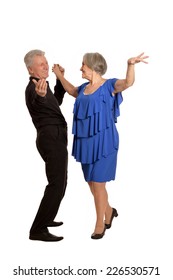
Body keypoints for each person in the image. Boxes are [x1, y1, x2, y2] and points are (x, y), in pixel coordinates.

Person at [52, 52, 148, 239]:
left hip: (105, 142)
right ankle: (110, 210)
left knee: (98, 183)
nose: (81, 68)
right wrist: (59, 76)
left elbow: (127, 83)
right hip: (85, 141)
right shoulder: (84, 88)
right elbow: (72, 90)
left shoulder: (109, 85)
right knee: (92, 183)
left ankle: (100, 224)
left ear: (93, 66)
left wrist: (130, 65)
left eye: (83, 65)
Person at [24, 50, 68, 242]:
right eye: (41, 64)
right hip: (51, 138)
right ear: (30, 69)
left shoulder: (44, 85)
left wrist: (60, 81)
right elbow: (37, 100)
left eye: (46, 62)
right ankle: (38, 230)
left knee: (60, 181)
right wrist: (41, 96)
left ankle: (47, 217)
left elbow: (55, 102)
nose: (46, 66)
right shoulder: (34, 88)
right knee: (56, 184)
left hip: (53, 137)